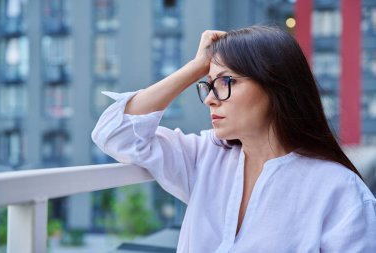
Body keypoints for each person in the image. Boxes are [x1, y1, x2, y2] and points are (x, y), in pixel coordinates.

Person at [92, 25, 376, 252]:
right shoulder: (205, 156)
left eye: (227, 82)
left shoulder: (339, 190)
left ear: (276, 86)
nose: (211, 101)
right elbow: (116, 133)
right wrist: (197, 66)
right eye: (208, 85)